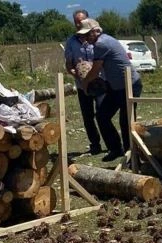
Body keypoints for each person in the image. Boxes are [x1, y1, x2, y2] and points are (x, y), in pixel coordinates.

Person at [76, 18, 142, 162]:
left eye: (87, 34)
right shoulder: (102, 42)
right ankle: (116, 149)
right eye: (83, 35)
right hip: (116, 86)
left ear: (96, 31)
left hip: (129, 85)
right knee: (102, 116)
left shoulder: (101, 43)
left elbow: (95, 70)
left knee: (126, 121)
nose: (85, 38)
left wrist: (85, 83)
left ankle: (131, 155)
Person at [64, 9, 103, 155]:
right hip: (82, 85)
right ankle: (95, 144)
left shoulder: (96, 38)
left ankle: (112, 145)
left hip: (100, 82)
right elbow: (69, 63)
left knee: (102, 112)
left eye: (81, 22)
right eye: (76, 22)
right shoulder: (71, 42)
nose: (79, 24)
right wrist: (72, 70)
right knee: (88, 116)